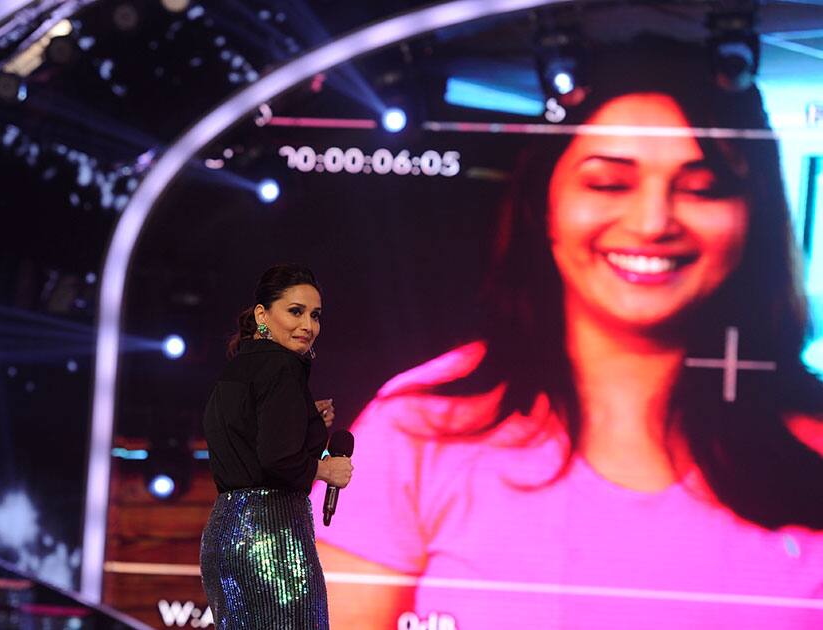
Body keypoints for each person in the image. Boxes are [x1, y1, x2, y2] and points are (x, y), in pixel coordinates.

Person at [310, 38, 823, 629]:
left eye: (702, 188)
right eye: (608, 184)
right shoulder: (419, 426)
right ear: (543, 204)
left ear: (752, 217)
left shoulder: (813, 441)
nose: (653, 222)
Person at [199, 263, 352, 629]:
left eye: (315, 316)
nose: (308, 326)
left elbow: (244, 434)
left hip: (224, 537)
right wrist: (324, 468)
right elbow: (277, 458)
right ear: (262, 315)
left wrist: (302, 418)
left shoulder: (239, 366)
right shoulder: (283, 367)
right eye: (295, 312)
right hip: (273, 535)